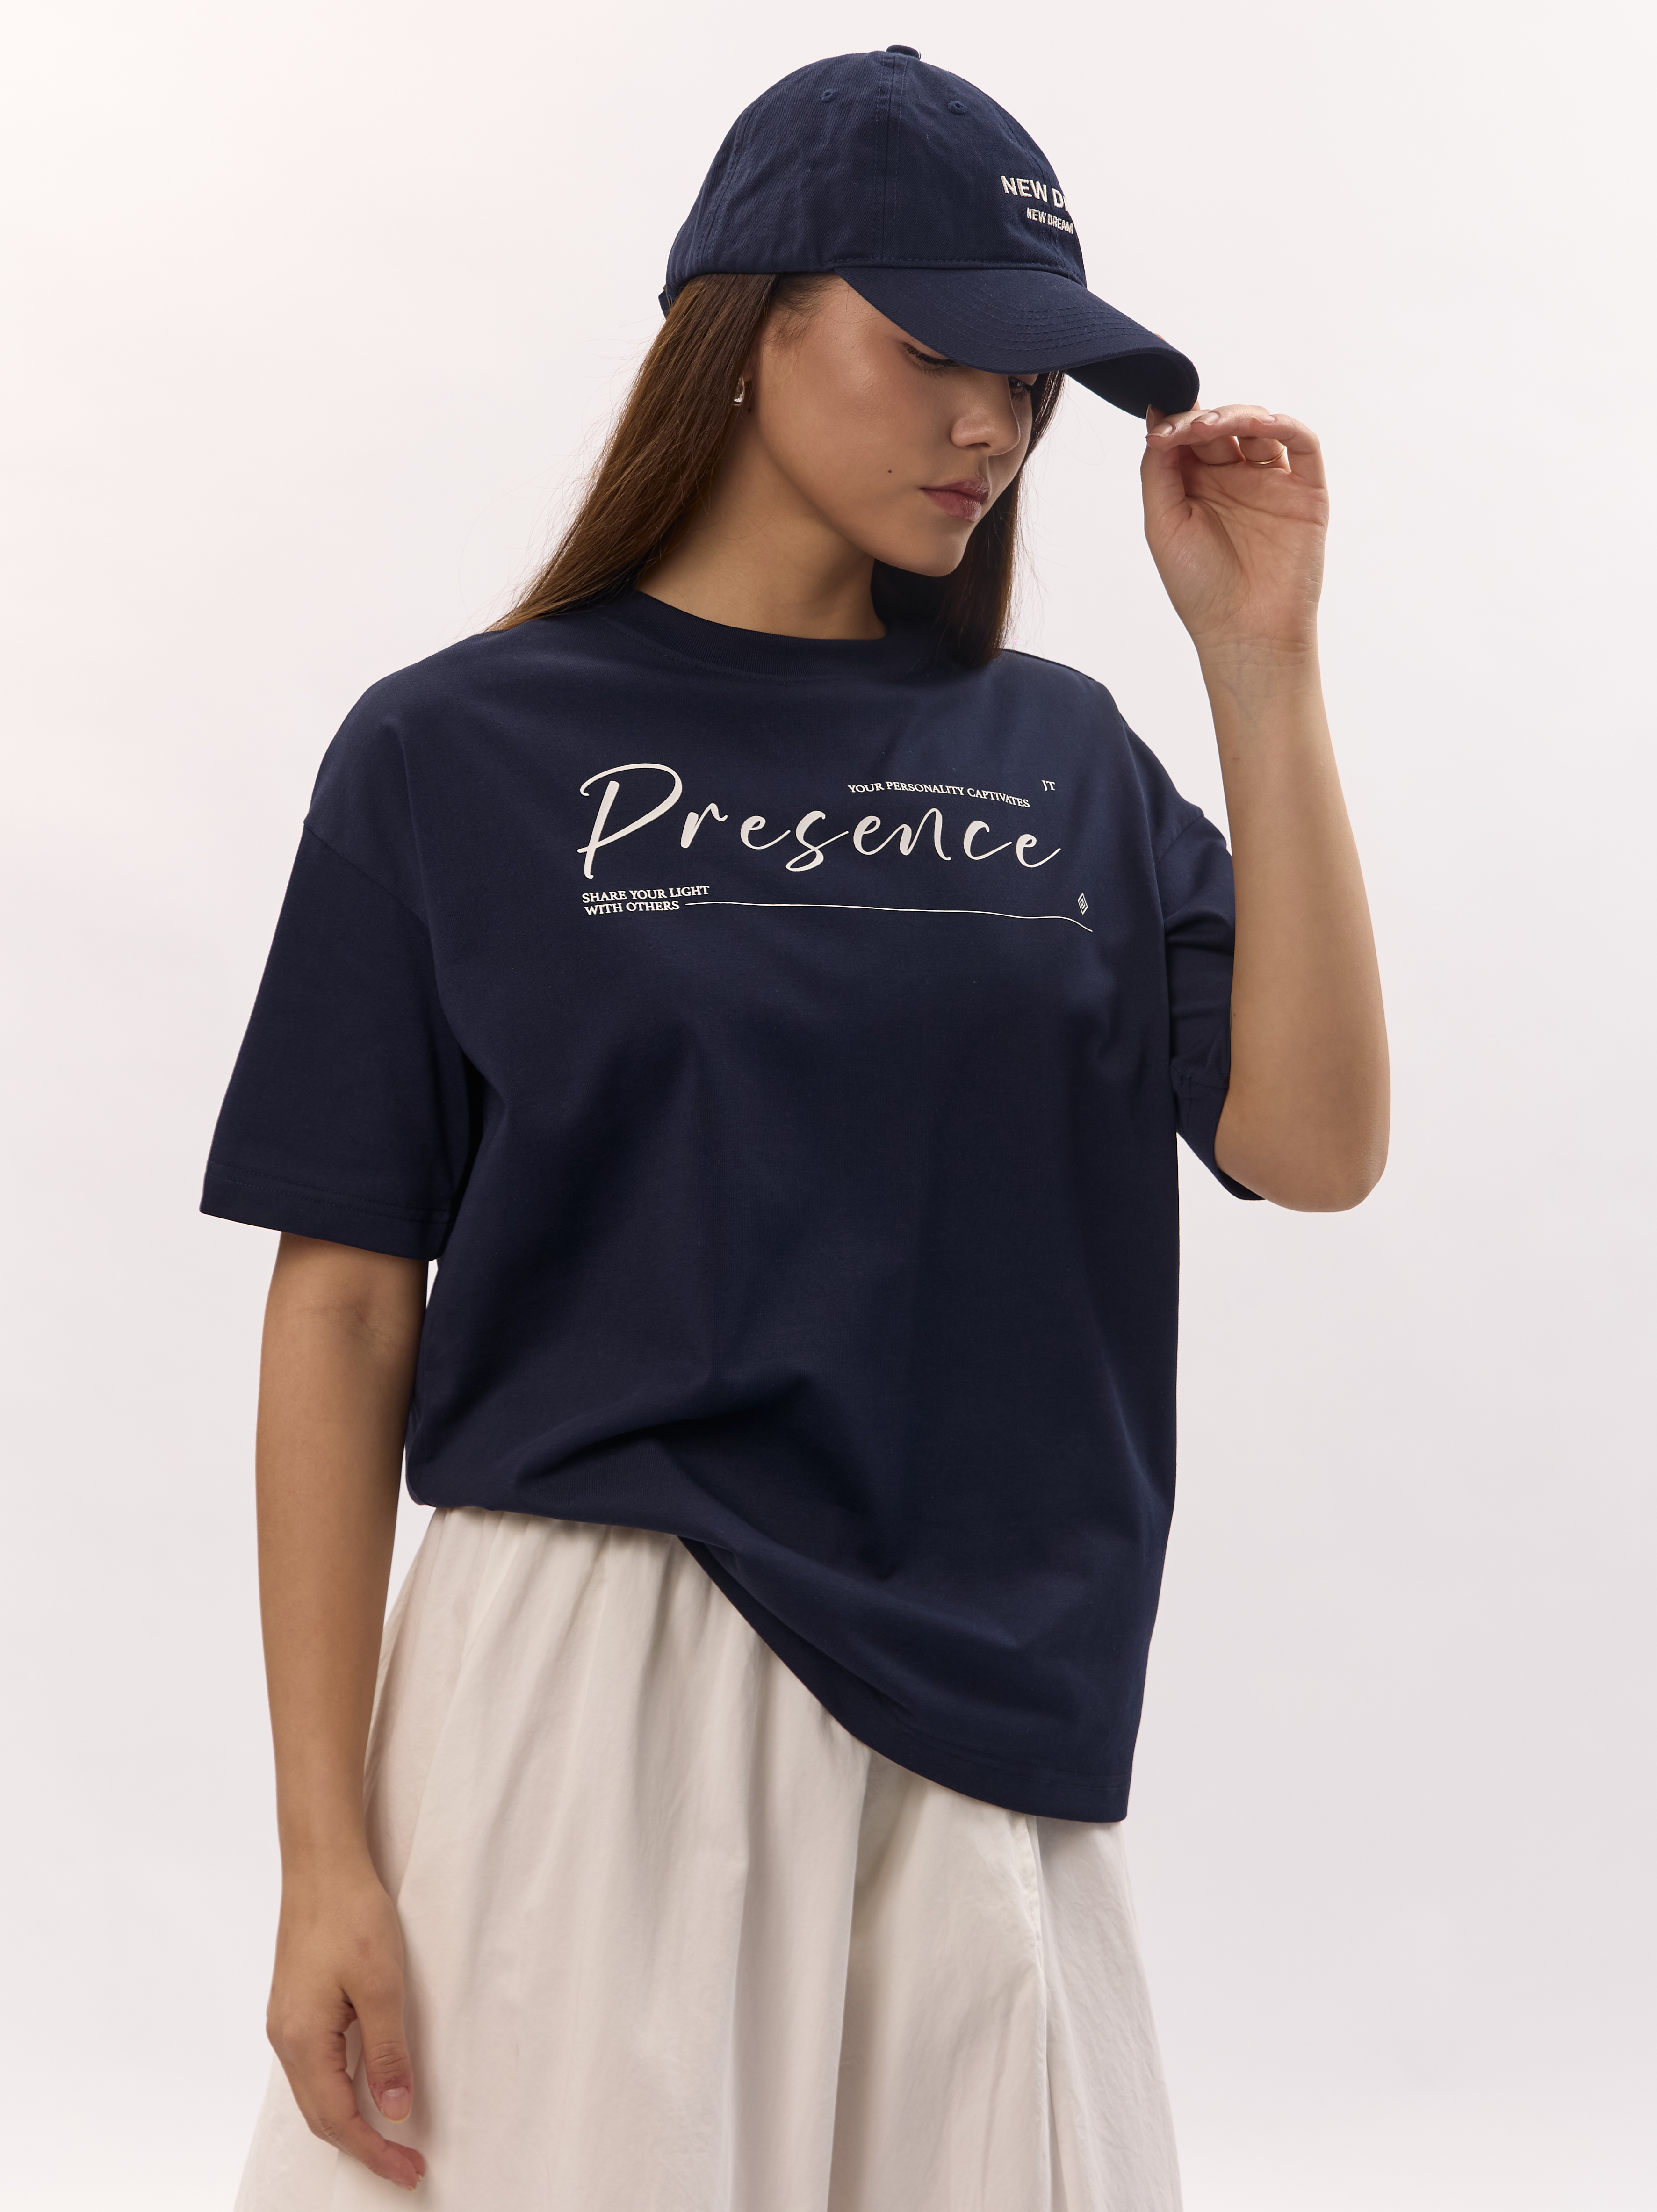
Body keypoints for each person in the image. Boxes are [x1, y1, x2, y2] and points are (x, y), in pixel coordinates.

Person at [207, 45, 1387, 2212]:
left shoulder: (1062, 762)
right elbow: (347, 1302)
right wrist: (323, 1853)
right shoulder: (453, 752)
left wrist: (1260, 665)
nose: (990, 425)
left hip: (983, 1723)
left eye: (1025, 379)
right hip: (583, 1700)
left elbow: (1309, 1144)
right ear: (747, 330)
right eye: (933, 349)